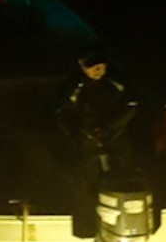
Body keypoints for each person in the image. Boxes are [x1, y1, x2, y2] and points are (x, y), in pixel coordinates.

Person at [57, 50, 138, 187]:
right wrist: (74, 133)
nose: (98, 70)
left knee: (122, 173)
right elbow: (61, 112)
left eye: (101, 66)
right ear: (82, 67)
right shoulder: (74, 87)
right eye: (93, 67)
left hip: (116, 135)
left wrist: (112, 126)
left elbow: (131, 106)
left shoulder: (116, 83)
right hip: (87, 137)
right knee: (88, 175)